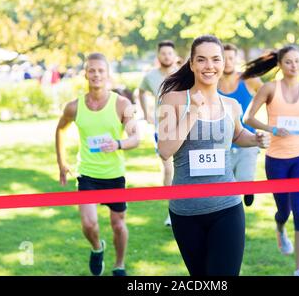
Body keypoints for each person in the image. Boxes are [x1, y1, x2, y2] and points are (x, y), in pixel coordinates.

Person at [157, 35, 269, 276]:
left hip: (227, 207)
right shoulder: (173, 100)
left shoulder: (230, 106)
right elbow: (165, 150)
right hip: (187, 212)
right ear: (192, 64)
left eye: (215, 59)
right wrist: (192, 112)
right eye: (202, 60)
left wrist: (256, 139)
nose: (210, 66)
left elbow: (238, 136)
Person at [55, 52, 140, 276]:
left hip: (114, 175)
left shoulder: (122, 104)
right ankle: (97, 248)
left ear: (108, 74)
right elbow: (60, 130)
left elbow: (135, 137)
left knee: (118, 225)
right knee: (89, 224)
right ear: (85, 74)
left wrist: (119, 143)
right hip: (87, 174)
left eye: (101, 70)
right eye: (91, 70)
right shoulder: (73, 107)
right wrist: (61, 163)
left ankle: (119, 264)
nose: (96, 74)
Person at [243, 46, 299, 276]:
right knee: (284, 212)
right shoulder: (269, 88)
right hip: (276, 160)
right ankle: (280, 228)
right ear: (280, 64)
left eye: (297, 61)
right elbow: (247, 117)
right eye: (288, 62)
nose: (294, 66)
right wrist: (272, 129)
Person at [218, 43, 263, 206]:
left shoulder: (250, 80)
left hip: (247, 137)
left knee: (245, 177)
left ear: (237, 59)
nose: (228, 62)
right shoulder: (212, 83)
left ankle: (248, 187)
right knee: (226, 189)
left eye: (231, 58)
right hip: (222, 142)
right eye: (224, 58)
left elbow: (268, 95)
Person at [139, 40, 178, 226]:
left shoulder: (184, 73)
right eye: (163, 54)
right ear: (158, 56)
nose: (166, 57)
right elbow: (140, 92)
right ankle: (172, 211)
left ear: (174, 55)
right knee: (168, 168)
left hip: (184, 125)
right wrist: (146, 113)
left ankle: (190, 207)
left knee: (186, 168)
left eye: (169, 53)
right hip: (162, 127)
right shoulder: (151, 76)